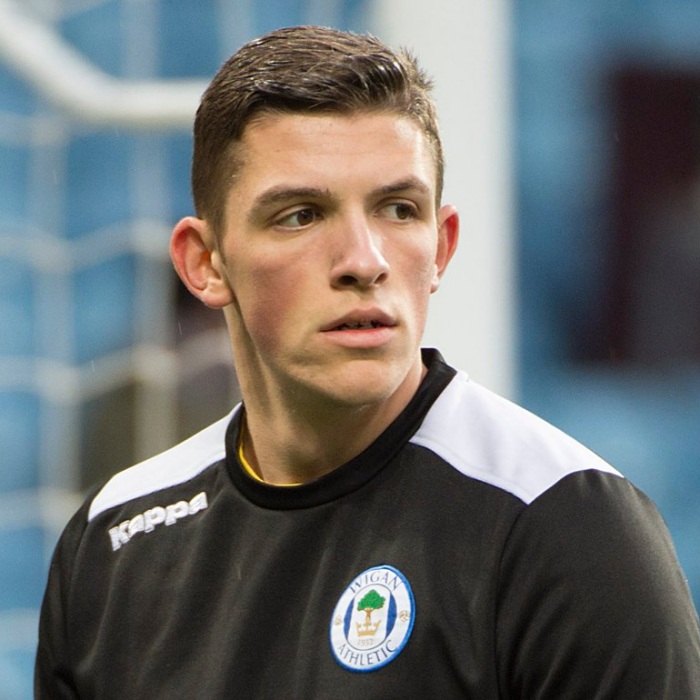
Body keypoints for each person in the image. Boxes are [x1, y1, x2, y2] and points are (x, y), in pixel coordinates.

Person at [35, 25, 700, 698]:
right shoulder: (111, 544)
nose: (364, 261)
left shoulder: (566, 527)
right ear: (205, 264)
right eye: (300, 215)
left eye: (398, 210)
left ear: (441, 248)